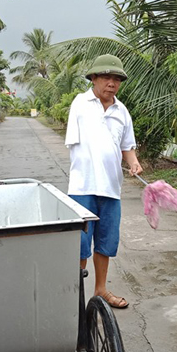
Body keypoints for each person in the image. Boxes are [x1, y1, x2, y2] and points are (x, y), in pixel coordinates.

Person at [65, 54, 142, 309]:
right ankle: (75, 299)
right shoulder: (81, 103)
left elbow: (127, 146)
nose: (112, 83)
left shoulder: (122, 111)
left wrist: (133, 162)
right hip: (83, 187)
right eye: (106, 77)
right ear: (94, 78)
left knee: (106, 242)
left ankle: (100, 291)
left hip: (111, 188)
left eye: (117, 79)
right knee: (80, 245)